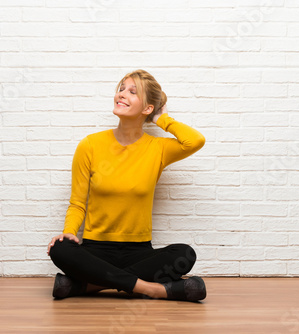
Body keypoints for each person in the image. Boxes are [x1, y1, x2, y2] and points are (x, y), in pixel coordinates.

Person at [47, 69, 206, 302]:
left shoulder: (158, 148)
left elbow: (195, 141)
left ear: (147, 108)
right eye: (121, 88)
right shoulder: (90, 145)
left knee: (184, 254)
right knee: (60, 248)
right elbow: (77, 203)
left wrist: (161, 118)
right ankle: (153, 290)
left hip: (138, 252)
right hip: (95, 252)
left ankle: (89, 286)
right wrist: (69, 232)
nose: (121, 94)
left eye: (132, 92)